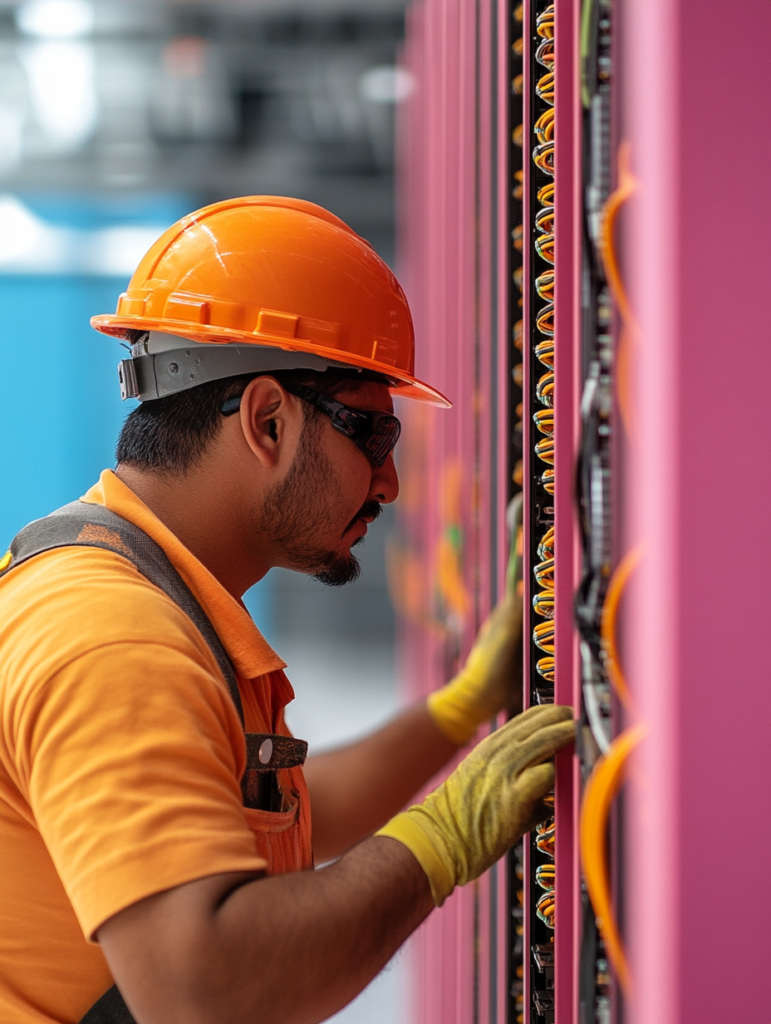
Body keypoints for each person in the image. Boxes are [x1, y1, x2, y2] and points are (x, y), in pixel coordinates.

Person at [0, 196, 573, 1024]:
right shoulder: (113, 638)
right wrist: (437, 846)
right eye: (372, 436)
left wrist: (459, 712)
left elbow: (291, 814)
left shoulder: (124, 581)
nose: (390, 484)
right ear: (268, 420)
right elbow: (202, 988)